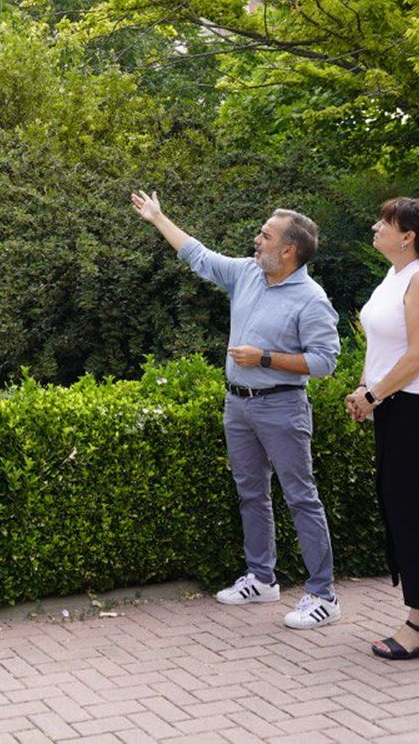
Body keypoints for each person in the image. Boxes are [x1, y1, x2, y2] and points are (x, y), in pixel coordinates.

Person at [131, 191, 343, 629]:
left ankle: (323, 595)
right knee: (251, 493)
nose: (256, 239)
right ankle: (262, 578)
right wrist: (158, 218)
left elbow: (324, 362)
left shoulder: (311, 299)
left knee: (301, 498)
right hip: (239, 405)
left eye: (265, 235)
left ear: (288, 250)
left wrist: (264, 357)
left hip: (282, 407)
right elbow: (199, 256)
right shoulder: (247, 274)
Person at [344, 197, 419, 661]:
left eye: (385, 222)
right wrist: (364, 387)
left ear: (408, 236)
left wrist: (374, 396)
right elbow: (381, 345)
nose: (376, 226)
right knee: (407, 508)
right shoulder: (395, 277)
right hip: (395, 405)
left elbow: (418, 356)